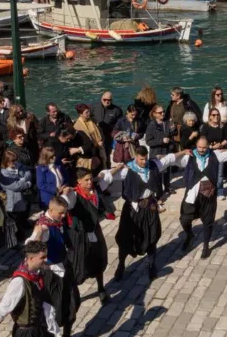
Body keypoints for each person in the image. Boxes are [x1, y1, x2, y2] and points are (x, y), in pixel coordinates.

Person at [109, 146, 178, 281]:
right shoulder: (127, 170)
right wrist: (115, 168)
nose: (144, 161)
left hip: (150, 208)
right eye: (141, 159)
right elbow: (107, 175)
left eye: (145, 158)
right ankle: (121, 265)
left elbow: (169, 159)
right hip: (132, 210)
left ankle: (152, 266)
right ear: (136, 157)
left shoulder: (152, 165)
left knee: (152, 236)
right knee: (126, 239)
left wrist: (183, 152)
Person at [30, 195, 83, 337]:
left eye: (64, 212)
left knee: (74, 301)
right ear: (50, 209)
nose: (63, 216)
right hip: (51, 273)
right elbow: (31, 244)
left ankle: (66, 335)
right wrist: (38, 235)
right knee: (54, 307)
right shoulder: (43, 226)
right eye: (60, 213)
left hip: (65, 267)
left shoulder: (56, 221)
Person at [174, 138, 227, 259]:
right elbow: (171, 159)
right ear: (196, 146)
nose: (202, 150)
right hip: (192, 194)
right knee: (184, 219)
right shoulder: (189, 156)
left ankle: (206, 246)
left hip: (209, 194)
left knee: (208, 222)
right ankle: (190, 235)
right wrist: (181, 152)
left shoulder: (216, 155)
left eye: (204, 147)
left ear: (208, 146)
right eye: (199, 147)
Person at [66, 167, 118, 304]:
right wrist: (65, 192)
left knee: (98, 259)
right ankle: (73, 294)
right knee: (78, 263)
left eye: (90, 179)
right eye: (86, 180)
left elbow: (107, 176)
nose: (90, 182)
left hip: (95, 230)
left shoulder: (96, 189)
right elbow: (65, 201)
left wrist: (119, 167)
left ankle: (101, 289)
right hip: (79, 234)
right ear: (79, 181)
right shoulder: (74, 195)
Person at [0, 149, 31, 246]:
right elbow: (14, 186)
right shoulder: (4, 172)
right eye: (12, 161)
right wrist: (26, 183)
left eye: (15, 160)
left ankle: (21, 237)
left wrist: (23, 179)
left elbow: (28, 173)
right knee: (14, 222)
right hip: (11, 201)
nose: (15, 163)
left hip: (21, 200)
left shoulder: (19, 166)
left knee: (21, 219)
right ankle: (13, 242)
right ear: (6, 162)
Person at [144, 105, 174, 196]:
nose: (163, 113)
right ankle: (158, 192)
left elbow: (172, 135)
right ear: (154, 114)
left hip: (166, 151)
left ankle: (167, 188)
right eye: (160, 112)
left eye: (163, 111)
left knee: (167, 171)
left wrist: (173, 129)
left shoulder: (167, 122)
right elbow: (148, 141)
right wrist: (161, 141)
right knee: (157, 173)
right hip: (156, 153)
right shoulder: (151, 125)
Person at [200, 108, 227, 197]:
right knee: (208, 171)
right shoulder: (205, 127)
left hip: (220, 151)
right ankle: (210, 189)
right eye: (213, 115)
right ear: (210, 117)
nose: (216, 116)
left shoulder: (222, 126)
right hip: (208, 152)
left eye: (217, 115)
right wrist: (211, 147)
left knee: (220, 173)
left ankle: (220, 190)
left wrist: (220, 144)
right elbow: (203, 139)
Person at [72, 104, 106, 173]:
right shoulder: (78, 126)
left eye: (89, 111)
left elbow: (99, 131)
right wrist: (96, 144)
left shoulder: (91, 120)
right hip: (90, 151)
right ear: (80, 114)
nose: (89, 113)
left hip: (98, 147)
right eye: (86, 112)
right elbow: (85, 141)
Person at [92, 91, 123, 165]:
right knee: (95, 155)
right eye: (104, 99)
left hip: (108, 137)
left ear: (112, 100)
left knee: (106, 156)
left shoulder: (117, 110)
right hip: (95, 136)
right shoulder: (94, 107)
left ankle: (107, 170)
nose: (106, 101)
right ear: (101, 99)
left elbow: (120, 124)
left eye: (109, 100)